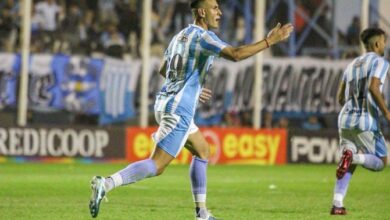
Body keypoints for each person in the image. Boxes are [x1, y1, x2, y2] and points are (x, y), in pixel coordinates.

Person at [89, 0, 293, 219]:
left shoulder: (179, 36)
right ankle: (107, 183)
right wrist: (269, 41)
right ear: (202, 12)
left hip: (167, 102)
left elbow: (163, 69)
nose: (220, 12)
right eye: (215, 8)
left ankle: (202, 213)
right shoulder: (203, 37)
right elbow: (235, 54)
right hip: (179, 109)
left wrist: (193, 87)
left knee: (203, 150)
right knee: (157, 165)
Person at [330, 27, 389, 215]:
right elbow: (373, 88)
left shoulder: (352, 64)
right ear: (378, 43)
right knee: (381, 161)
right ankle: (352, 157)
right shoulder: (380, 62)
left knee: (348, 162)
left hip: (345, 119)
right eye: (384, 42)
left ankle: (337, 204)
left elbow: (340, 97)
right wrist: (387, 113)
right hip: (366, 120)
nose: (385, 45)